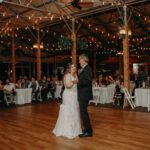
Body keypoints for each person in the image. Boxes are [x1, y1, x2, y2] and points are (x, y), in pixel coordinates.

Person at [53, 64, 81, 139]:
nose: (74, 68)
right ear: (69, 68)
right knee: (68, 111)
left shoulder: (75, 75)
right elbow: (68, 86)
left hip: (74, 95)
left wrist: (76, 81)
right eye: (72, 67)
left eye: (75, 66)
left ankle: (75, 129)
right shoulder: (67, 75)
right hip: (68, 95)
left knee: (74, 111)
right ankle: (67, 130)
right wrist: (75, 82)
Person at [78, 54, 93, 137]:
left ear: (84, 60)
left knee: (84, 112)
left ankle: (89, 132)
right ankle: (86, 129)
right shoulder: (84, 69)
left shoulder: (88, 69)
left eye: (80, 60)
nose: (79, 62)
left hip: (84, 94)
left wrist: (77, 83)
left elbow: (87, 81)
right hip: (83, 93)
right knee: (83, 112)